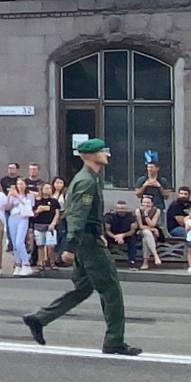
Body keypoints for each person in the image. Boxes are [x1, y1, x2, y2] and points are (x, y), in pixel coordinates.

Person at [23, 139, 141, 356]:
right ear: (88, 156)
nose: (106, 154)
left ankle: (39, 318)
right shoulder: (86, 181)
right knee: (111, 290)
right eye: (100, 151)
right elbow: (77, 215)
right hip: (87, 243)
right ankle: (114, 341)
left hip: (87, 240)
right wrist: (70, 246)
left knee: (83, 288)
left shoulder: (90, 178)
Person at [2, 179, 34, 276]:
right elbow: (6, 207)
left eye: (22, 184)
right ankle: (18, 264)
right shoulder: (13, 195)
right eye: (18, 184)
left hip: (23, 218)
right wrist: (9, 196)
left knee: (19, 242)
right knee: (14, 244)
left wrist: (18, 198)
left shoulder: (30, 196)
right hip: (13, 218)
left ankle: (26, 264)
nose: (20, 186)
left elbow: (29, 206)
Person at [27, 183, 59, 276]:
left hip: (50, 225)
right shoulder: (37, 201)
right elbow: (33, 214)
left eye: (49, 188)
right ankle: (40, 262)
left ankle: (52, 262)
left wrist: (53, 223)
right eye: (46, 188)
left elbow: (56, 213)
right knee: (40, 245)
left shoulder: (53, 201)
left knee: (51, 245)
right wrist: (38, 211)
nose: (48, 190)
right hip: (39, 225)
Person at [105, 200, 138, 265]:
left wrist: (122, 236)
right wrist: (115, 237)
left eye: (122, 208)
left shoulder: (131, 217)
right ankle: (105, 260)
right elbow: (107, 230)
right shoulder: (109, 216)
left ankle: (132, 261)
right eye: (118, 208)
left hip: (126, 235)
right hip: (112, 235)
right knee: (104, 238)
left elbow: (132, 231)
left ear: (126, 209)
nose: (120, 210)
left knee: (132, 239)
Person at [136, 194, 164, 270]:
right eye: (144, 202)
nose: (146, 204)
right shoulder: (138, 211)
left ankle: (145, 263)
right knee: (146, 232)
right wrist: (153, 230)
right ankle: (156, 256)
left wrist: (146, 215)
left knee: (145, 240)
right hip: (140, 232)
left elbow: (152, 224)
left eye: (148, 203)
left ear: (152, 203)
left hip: (152, 234)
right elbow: (141, 226)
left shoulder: (157, 210)